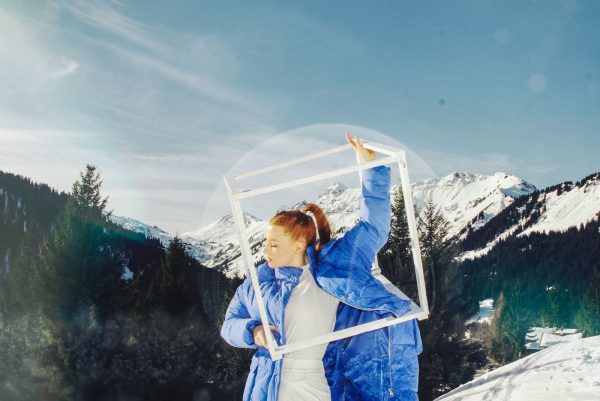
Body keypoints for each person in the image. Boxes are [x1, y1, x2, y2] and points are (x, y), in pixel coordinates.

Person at [220, 132, 423, 401]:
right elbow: (229, 324)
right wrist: (253, 330)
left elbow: (373, 226)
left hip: (315, 381)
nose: (265, 251)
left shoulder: (339, 263)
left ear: (298, 245)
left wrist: (370, 167)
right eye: (265, 243)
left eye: (274, 244)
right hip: (268, 383)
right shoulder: (259, 282)